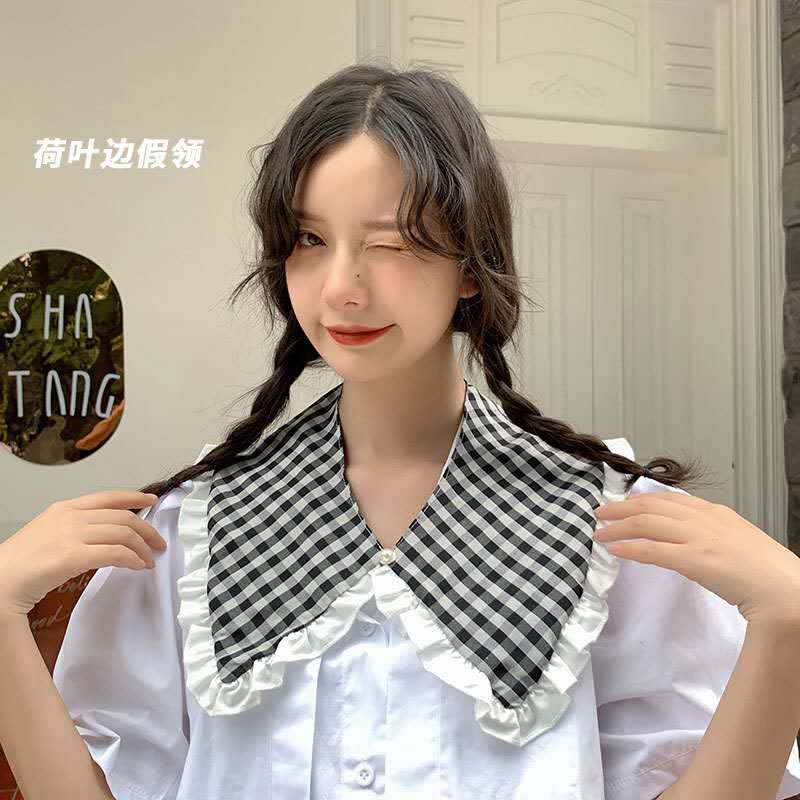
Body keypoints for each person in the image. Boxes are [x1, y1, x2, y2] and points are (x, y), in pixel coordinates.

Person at [2, 60, 800, 800]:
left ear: (470, 266)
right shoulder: (196, 528)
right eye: (309, 240)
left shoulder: (608, 527)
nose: (341, 289)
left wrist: (786, 625)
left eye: (390, 242)